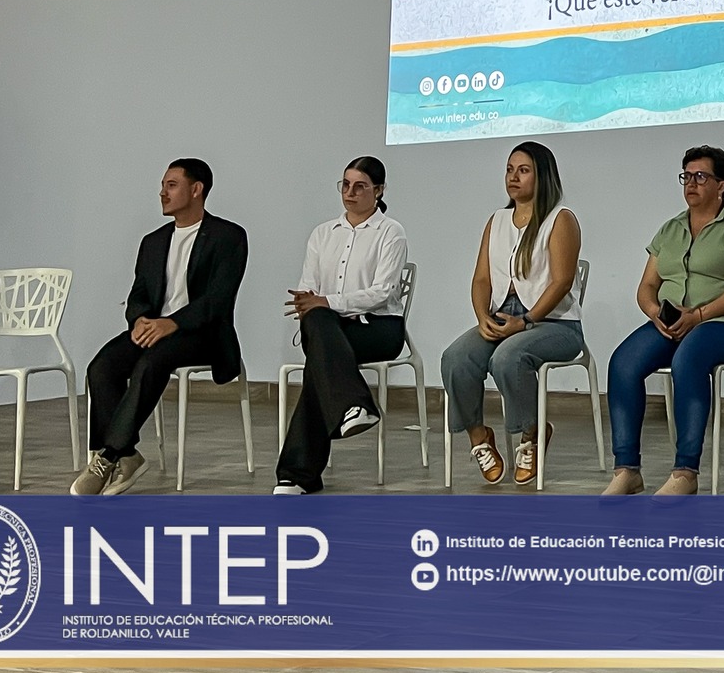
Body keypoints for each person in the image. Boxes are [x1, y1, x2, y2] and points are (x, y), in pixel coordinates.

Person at [73, 159, 248, 495]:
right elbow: (139, 293)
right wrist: (139, 319)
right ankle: (128, 456)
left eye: (171, 185)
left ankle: (108, 456)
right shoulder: (153, 241)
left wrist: (173, 323)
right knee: (102, 366)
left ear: (196, 190)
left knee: (152, 362)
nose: (162, 193)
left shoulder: (229, 236)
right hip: (156, 329)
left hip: (204, 334)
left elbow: (217, 299)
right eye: (163, 185)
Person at [603, 146, 724, 498]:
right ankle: (627, 470)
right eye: (686, 176)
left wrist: (700, 315)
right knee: (623, 363)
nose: (691, 183)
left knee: (688, 360)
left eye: (700, 176)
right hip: (672, 324)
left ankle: (686, 473)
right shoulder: (670, 229)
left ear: (721, 185)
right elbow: (647, 286)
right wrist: (655, 313)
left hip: (723, 324)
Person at [441, 141, 584, 487]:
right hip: (503, 316)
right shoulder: (497, 221)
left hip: (554, 323)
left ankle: (532, 433)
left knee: (508, 358)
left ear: (543, 176)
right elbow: (481, 279)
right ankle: (479, 437)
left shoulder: (560, 219)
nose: (513, 177)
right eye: (509, 170)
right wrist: (482, 317)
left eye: (523, 170)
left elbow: (562, 281)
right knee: (456, 357)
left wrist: (527, 320)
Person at [274, 156, 410, 494]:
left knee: (320, 357)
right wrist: (314, 302)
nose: (350, 193)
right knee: (318, 323)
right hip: (329, 328)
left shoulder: (390, 232)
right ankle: (354, 405)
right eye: (345, 185)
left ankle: (297, 474)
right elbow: (309, 288)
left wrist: (328, 302)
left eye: (360, 186)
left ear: (379, 190)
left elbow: (382, 292)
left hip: (377, 327)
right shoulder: (323, 234)